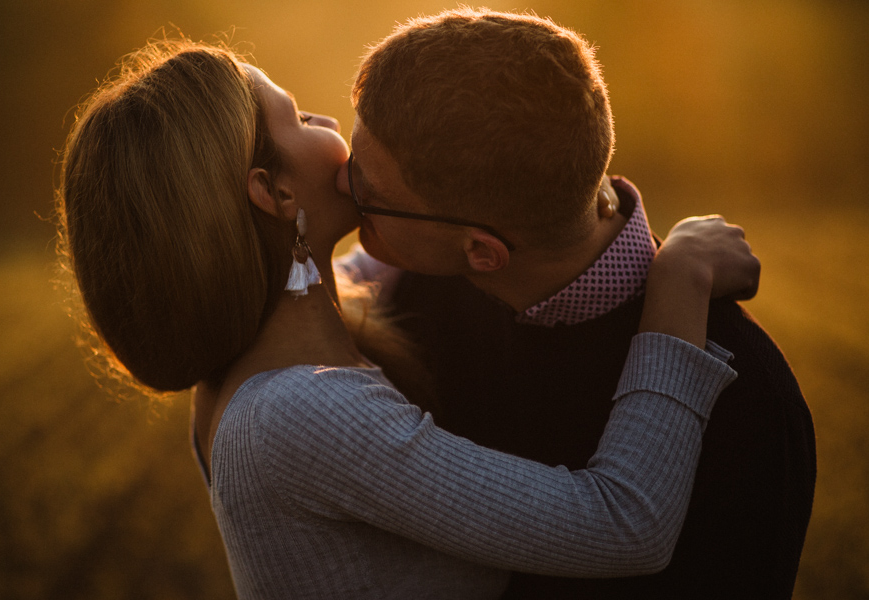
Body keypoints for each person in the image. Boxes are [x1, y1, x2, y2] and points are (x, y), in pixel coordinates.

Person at [55, 40, 759, 600]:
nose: (329, 126)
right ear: (272, 192)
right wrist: (677, 281)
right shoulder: (296, 415)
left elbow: (383, 258)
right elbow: (623, 525)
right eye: (299, 117)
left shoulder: (264, 351)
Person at [341, 7, 815, 599]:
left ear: (483, 252)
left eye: (367, 187)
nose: (343, 186)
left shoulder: (747, 404)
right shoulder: (421, 291)